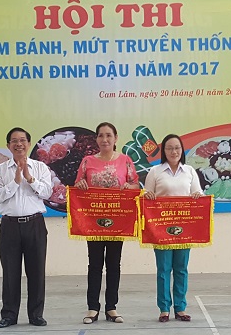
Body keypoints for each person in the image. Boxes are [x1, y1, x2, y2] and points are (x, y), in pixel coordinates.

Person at [74, 122, 139, 324]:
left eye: (109, 135)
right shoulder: (87, 161)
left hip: (117, 221)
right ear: (96, 139)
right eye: (101, 135)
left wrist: (129, 186)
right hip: (94, 222)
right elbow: (78, 185)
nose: (105, 139)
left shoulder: (126, 161)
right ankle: (92, 308)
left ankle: (111, 307)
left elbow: (136, 185)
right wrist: (80, 184)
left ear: (116, 138)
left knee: (113, 265)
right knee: (94, 265)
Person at [0, 127, 53, 328]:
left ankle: (36, 315)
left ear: (29, 143)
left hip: (35, 225)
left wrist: (29, 178)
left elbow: (47, 192)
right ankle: (9, 315)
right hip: (9, 226)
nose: (19, 144)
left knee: (37, 272)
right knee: (10, 273)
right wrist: (15, 181)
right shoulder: (0, 170)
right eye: (14, 141)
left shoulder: (40, 167)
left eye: (23, 140)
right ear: (8, 145)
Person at [144, 134, 203, 323]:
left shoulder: (190, 171)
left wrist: (197, 196)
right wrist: (148, 196)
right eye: (169, 148)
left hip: (184, 229)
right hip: (161, 229)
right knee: (163, 269)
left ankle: (180, 308)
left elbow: (199, 195)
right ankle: (164, 309)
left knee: (181, 269)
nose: (174, 151)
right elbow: (145, 196)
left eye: (177, 147)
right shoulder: (155, 171)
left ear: (182, 150)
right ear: (164, 151)